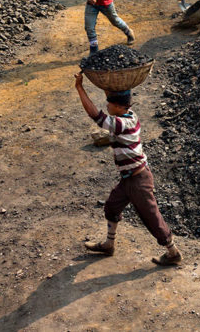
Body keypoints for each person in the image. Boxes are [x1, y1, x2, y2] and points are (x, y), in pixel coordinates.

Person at [75, 75, 182, 267]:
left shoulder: (122, 124)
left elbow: (95, 115)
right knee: (111, 207)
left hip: (138, 180)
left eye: (109, 103)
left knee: (151, 217)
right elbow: (112, 94)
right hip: (128, 179)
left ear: (118, 106)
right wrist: (105, 80)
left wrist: (80, 88)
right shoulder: (129, 114)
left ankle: (172, 252)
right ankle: (109, 244)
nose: (106, 104)